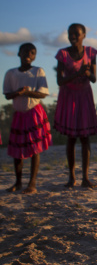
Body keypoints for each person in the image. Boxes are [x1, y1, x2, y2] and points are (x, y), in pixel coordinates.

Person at [54, 23, 97, 188]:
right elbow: (59, 81)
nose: (73, 36)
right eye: (70, 34)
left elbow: (94, 78)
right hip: (69, 97)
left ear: (84, 35)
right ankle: (71, 177)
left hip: (84, 96)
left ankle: (85, 177)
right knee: (71, 138)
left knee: (85, 137)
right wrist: (78, 74)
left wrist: (87, 73)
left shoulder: (90, 53)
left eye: (76, 34)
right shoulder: (63, 54)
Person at [3, 43, 52, 193]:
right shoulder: (11, 73)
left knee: (34, 148)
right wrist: (18, 93)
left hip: (34, 112)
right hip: (19, 114)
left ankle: (32, 183)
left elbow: (43, 93)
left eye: (32, 53)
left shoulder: (38, 71)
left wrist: (27, 93)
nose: (28, 55)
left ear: (35, 56)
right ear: (19, 54)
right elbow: (7, 94)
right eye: (25, 52)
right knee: (18, 149)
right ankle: (18, 182)